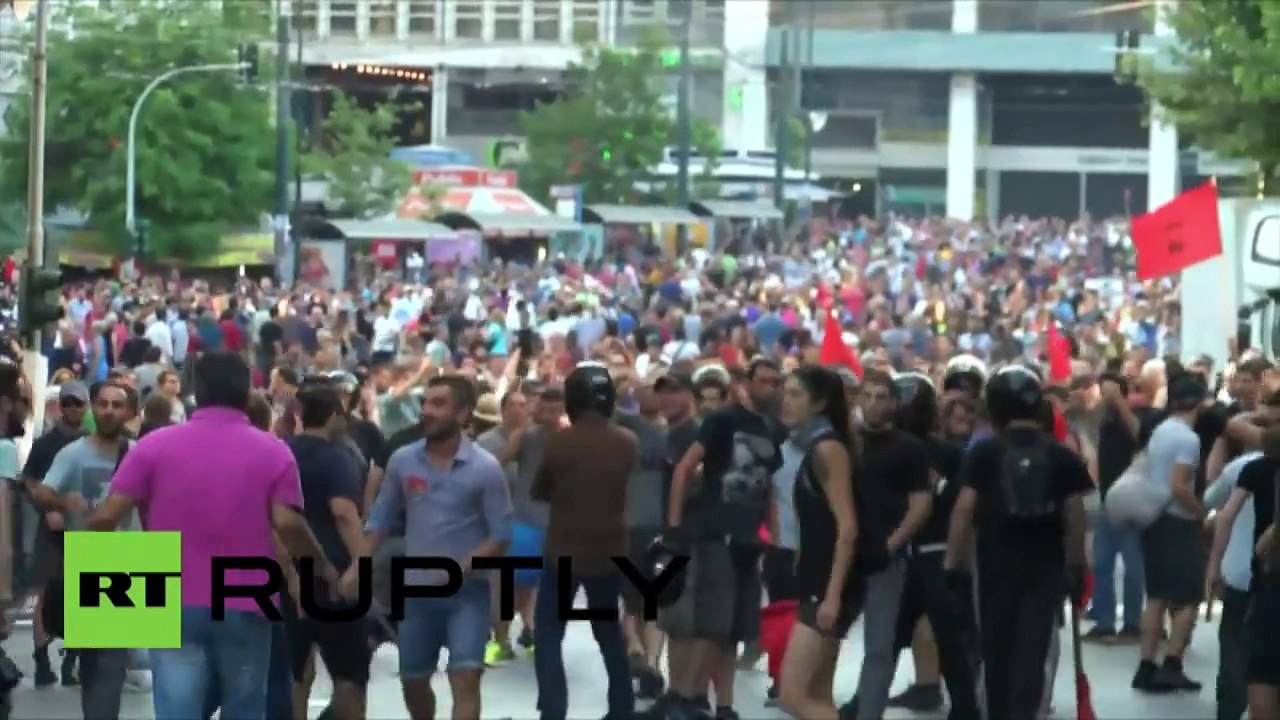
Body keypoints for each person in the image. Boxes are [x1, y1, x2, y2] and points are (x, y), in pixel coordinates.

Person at [88, 351, 335, 719]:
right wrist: (321, 566)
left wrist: (112, 575)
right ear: (246, 391)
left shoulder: (154, 446)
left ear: (195, 393)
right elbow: (288, 524)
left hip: (170, 593)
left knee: (177, 708)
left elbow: (105, 518)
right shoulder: (273, 451)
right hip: (248, 595)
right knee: (245, 705)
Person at [359, 375, 513, 720]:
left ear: (463, 414)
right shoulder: (403, 460)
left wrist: (463, 567)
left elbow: (501, 534)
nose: (426, 410)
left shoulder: (485, 469)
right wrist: (358, 568)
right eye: (426, 402)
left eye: (438, 403)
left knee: (466, 677)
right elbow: (381, 519)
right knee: (413, 682)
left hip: (467, 595)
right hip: (415, 595)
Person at [944, 365, 1092, 720]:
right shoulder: (1062, 455)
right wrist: (1076, 566)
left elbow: (964, 510)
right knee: (1032, 651)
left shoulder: (983, 453)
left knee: (995, 650)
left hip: (995, 565)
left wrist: (952, 564)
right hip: (1045, 567)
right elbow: (1075, 516)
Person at [666, 357, 783, 720]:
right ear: (745, 383)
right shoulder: (722, 420)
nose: (770, 388)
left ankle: (725, 705)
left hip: (750, 537)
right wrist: (673, 526)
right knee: (712, 623)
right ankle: (686, 696)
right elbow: (685, 467)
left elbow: (770, 488)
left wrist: (773, 541)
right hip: (717, 532)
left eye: (775, 382)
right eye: (763, 380)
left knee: (734, 627)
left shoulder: (768, 427)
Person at [531, 362, 637, 720]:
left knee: (548, 635)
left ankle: (554, 710)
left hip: (563, 549)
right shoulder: (627, 441)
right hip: (609, 551)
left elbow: (539, 490)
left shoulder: (559, 443)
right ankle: (622, 707)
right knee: (609, 633)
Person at [29, 381, 137, 720]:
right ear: (93, 408)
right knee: (100, 661)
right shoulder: (73, 453)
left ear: (130, 413)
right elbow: (42, 490)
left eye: (116, 405)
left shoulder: (139, 453)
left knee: (115, 663)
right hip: (88, 558)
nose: (108, 410)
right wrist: (62, 502)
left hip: (135, 560)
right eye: (102, 403)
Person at [883, 372, 979, 720]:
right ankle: (963, 705)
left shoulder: (944, 453)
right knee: (897, 636)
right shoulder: (933, 451)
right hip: (918, 553)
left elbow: (964, 501)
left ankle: (965, 705)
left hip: (929, 552)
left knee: (928, 636)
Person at [776, 366, 861, 720]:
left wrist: (833, 596)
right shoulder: (818, 446)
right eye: (786, 392)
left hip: (827, 585)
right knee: (817, 693)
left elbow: (848, 527)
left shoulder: (828, 449)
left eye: (796, 394)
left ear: (820, 402)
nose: (786, 401)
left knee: (792, 696)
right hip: (818, 580)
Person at [286, 379, 371, 719]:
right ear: (335, 415)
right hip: (333, 570)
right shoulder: (338, 458)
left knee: (296, 669)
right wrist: (361, 561)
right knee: (348, 672)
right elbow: (344, 512)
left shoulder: (282, 450)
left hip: (287, 569)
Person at [1134, 372, 1212, 692]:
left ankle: (1146, 665)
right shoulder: (1187, 439)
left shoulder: (1160, 431)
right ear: (1199, 402)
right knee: (1190, 596)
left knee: (1156, 596)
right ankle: (1172, 663)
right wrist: (1200, 512)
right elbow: (1179, 485)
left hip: (1153, 519)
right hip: (1178, 523)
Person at [1208, 412, 1280, 720]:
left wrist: (1214, 566)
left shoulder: (1251, 469)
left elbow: (1224, 514)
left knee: (1242, 653)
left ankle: (1230, 711)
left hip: (1258, 575)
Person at [19, 382, 87, 688]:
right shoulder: (46, 443)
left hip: (83, 527)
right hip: (51, 529)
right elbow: (29, 480)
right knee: (45, 593)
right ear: (60, 405)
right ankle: (42, 658)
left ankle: (73, 659)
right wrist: (46, 508)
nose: (72, 408)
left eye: (78, 403)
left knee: (81, 593)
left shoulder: (91, 443)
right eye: (67, 402)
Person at [1089, 372, 1155, 641]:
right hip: (1106, 500)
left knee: (1133, 565)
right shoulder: (1102, 419)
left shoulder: (1136, 416)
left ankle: (1132, 623)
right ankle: (1104, 621)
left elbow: (1140, 434)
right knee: (1101, 563)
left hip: (1129, 501)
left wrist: (1120, 402)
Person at [614, 374, 669, 700]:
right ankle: (637, 651)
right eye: (647, 388)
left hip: (660, 526)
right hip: (626, 525)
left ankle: (651, 664)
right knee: (632, 599)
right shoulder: (624, 426)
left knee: (656, 601)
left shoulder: (674, 431)